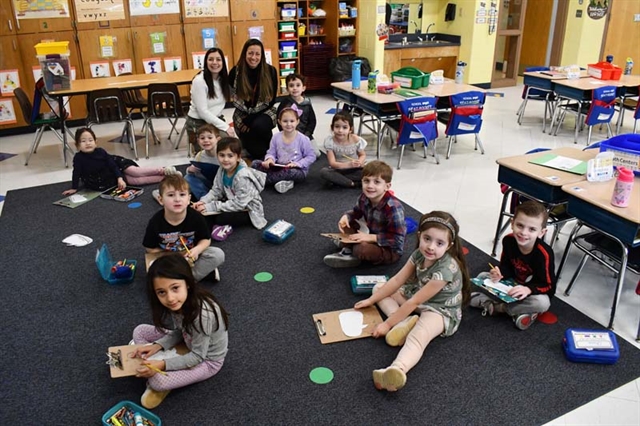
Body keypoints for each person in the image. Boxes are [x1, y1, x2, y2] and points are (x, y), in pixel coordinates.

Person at [354, 211, 470, 392]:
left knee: (418, 336)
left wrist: (386, 324)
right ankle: (402, 323)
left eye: (439, 243)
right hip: (419, 296)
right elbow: (396, 281)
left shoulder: (445, 270)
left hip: (440, 310)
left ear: (449, 246)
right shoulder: (418, 254)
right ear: (419, 236)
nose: (431, 247)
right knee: (379, 288)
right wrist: (371, 299)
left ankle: (396, 369)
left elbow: (413, 302)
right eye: (427, 239)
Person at [131, 254, 229, 409]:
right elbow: (180, 330)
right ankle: (159, 363)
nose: (170, 298)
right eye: (161, 292)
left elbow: (197, 356)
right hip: (187, 340)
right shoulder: (178, 302)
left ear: (187, 284)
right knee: (140, 331)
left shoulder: (202, 315)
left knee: (158, 381)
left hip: (207, 360)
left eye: (175, 288)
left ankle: (161, 375)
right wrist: (157, 345)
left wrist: (162, 364)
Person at [469, 200, 555, 330]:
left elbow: (549, 286)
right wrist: (499, 273)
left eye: (532, 229)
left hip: (532, 291)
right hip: (512, 284)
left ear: (541, 233)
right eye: (520, 225)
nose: (524, 233)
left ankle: (496, 307)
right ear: (512, 223)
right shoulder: (508, 240)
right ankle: (521, 312)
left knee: (543, 303)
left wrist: (528, 290)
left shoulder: (544, 254)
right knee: (483, 276)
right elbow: (506, 267)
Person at [143, 175, 225, 283]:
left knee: (217, 254)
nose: (177, 199)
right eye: (171, 195)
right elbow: (149, 248)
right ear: (161, 199)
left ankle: (188, 279)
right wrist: (171, 255)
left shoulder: (196, 217)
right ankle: (197, 275)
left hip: (191, 256)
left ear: (188, 199)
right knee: (153, 273)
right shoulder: (155, 222)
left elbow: (206, 240)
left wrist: (197, 250)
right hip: (169, 257)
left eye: (182, 195)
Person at [324, 160, 406, 268]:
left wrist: (371, 238)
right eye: (366, 181)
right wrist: (347, 216)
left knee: (361, 249)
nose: (370, 186)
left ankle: (350, 250)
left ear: (387, 186)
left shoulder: (393, 208)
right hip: (371, 235)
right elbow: (356, 212)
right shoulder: (364, 197)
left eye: (376, 182)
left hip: (389, 249)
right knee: (348, 223)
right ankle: (348, 247)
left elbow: (397, 240)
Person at [62, 127, 179, 195]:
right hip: (108, 177)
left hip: (118, 166)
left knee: (136, 172)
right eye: (83, 141)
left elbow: (112, 165)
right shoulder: (78, 158)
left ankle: (164, 170)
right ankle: (167, 178)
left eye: (90, 140)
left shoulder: (101, 152)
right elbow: (76, 173)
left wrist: (119, 177)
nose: (87, 143)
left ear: (95, 142)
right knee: (137, 181)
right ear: (77, 145)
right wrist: (74, 187)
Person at [193, 137, 267, 232]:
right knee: (204, 213)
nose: (225, 159)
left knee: (220, 218)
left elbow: (239, 204)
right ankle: (213, 226)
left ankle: (222, 228)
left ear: (238, 157)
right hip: (230, 200)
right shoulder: (222, 170)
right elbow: (216, 190)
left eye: (230, 156)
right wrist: (204, 201)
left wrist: (210, 206)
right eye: (222, 155)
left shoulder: (242, 176)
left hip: (248, 209)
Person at [228, 39, 278, 160]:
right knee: (255, 147)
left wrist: (251, 118)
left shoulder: (270, 71)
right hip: (242, 113)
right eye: (250, 53)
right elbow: (233, 97)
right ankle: (260, 149)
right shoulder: (235, 72)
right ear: (245, 53)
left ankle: (267, 149)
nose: (253, 57)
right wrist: (247, 117)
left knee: (258, 125)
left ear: (262, 56)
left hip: (265, 110)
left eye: (257, 54)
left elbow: (271, 100)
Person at [251, 107, 316, 193]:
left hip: (297, 170)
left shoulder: (303, 139)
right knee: (255, 163)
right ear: (279, 122)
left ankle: (261, 181)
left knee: (289, 173)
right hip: (279, 166)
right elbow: (271, 152)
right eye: (285, 121)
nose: (288, 124)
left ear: (297, 121)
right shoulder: (276, 137)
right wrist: (269, 160)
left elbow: (311, 156)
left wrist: (297, 164)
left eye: (292, 121)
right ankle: (284, 182)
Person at [185, 47, 235, 153]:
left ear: (223, 62)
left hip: (214, 120)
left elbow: (237, 95)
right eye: (211, 59)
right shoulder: (199, 81)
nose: (215, 63)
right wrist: (226, 127)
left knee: (229, 145)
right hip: (198, 123)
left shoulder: (223, 79)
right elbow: (203, 112)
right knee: (218, 148)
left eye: (218, 59)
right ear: (206, 62)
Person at [275, 73, 320, 157]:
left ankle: (300, 152)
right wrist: (285, 133)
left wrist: (307, 135)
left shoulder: (307, 103)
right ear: (287, 89)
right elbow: (279, 120)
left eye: (298, 85)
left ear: (303, 88)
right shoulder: (285, 103)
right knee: (283, 154)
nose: (295, 88)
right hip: (289, 135)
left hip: (305, 135)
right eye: (291, 86)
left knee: (316, 154)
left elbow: (312, 121)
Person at [319, 111, 367, 188]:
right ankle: (352, 184)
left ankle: (339, 181)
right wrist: (348, 164)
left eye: (344, 127)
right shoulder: (330, 142)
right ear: (332, 127)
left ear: (350, 129)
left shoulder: (355, 139)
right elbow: (332, 163)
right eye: (337, 126)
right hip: (339, 169)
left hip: (354, 169)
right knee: (324, 172)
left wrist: (360, 161)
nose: (340, 130)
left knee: (371, 172)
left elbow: (362, 155)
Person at [185, 124, 220, 200]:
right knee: (188, 178)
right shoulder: (199, 155)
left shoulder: (223, 153)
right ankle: (205, 198)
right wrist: (189, 170)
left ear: (218, 139)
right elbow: (194, 171)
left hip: (223, 183)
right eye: (202, 138)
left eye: (210, 137)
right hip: (209, 182)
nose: (206, 140)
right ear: (198, 141)